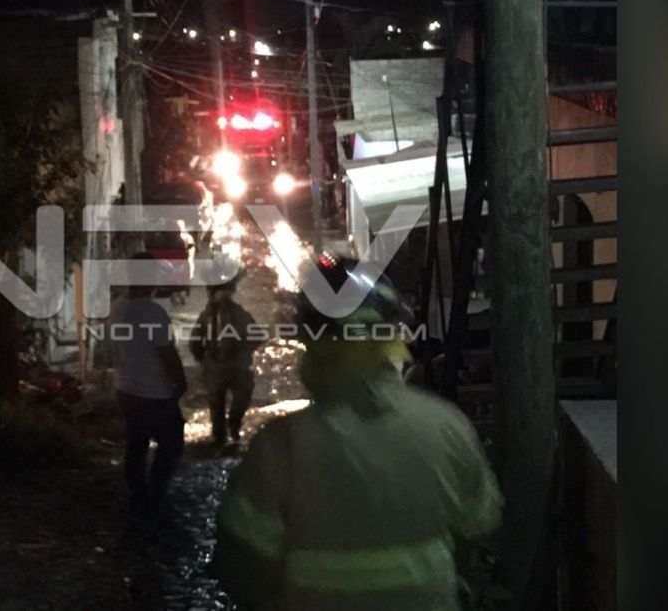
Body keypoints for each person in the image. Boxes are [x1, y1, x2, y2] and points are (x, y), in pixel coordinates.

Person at [213, 256, 503, 610]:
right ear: (392, 337)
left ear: (311, 341)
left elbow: (242, 563)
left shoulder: (279, 446)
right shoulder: (447, 426)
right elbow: (480, 524)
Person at [113, 253, 190, 517]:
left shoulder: (118, 308)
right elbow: (167, 354)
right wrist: (180, 382)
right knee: (172, 443)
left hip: (126, 388)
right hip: (154, 392)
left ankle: (138, 496)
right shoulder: (153, 312)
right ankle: (154, 497)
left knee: (136, 443)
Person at [189, 275, 262, 444]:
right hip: (224, 363)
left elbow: (256, 336)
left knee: (230, 398)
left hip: (231, 363)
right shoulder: (210, 316)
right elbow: (195, 341)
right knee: (220, 401)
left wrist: (243, 351)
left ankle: (228, 429)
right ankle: (223, 433)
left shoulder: (233, 314)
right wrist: (204, 359)